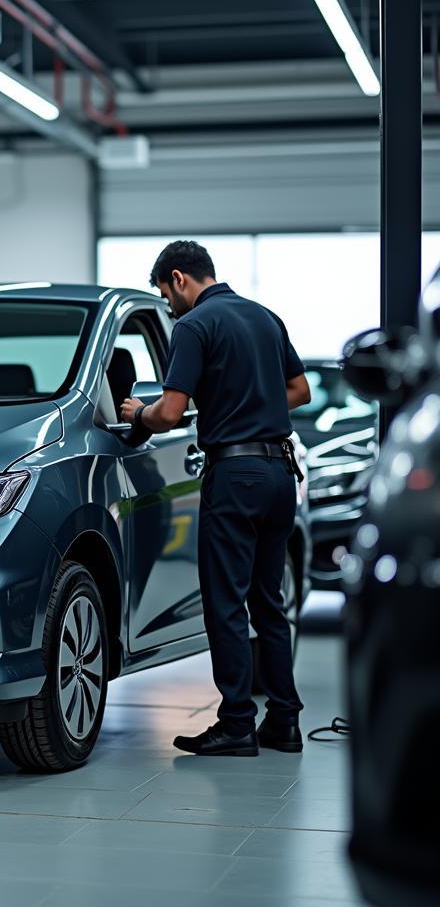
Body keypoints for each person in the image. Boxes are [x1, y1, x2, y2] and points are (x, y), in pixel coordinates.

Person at [120, 240, 311, 757]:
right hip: (279, 472)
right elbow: (299, 392)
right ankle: (285, 722)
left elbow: (168, 413)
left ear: (179, 278)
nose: (168, 305)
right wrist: (246, 400)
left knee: (226, 603)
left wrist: (137, 411)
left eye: (165, 294)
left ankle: (236, 724)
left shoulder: (194, 326)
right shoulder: (265, 317)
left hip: (236, 475)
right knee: (269, 602)